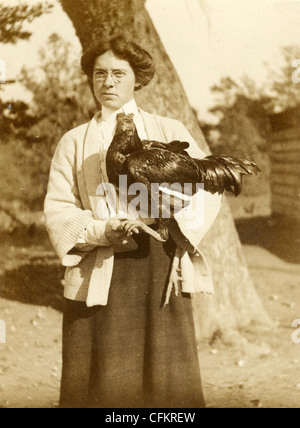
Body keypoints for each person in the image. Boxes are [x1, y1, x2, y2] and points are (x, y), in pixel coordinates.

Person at [44, 35, 222, 409]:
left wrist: (171, 222)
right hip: (100, 270)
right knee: (102, 381)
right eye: (99, 74)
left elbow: (208, 189)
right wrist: (102, 230)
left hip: (159, 268)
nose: (108, 83)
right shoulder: (74, 143)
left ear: (136, 79)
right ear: (91, 79)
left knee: (167, 384)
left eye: (118, 74)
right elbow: (59, 208)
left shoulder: (169, 131)